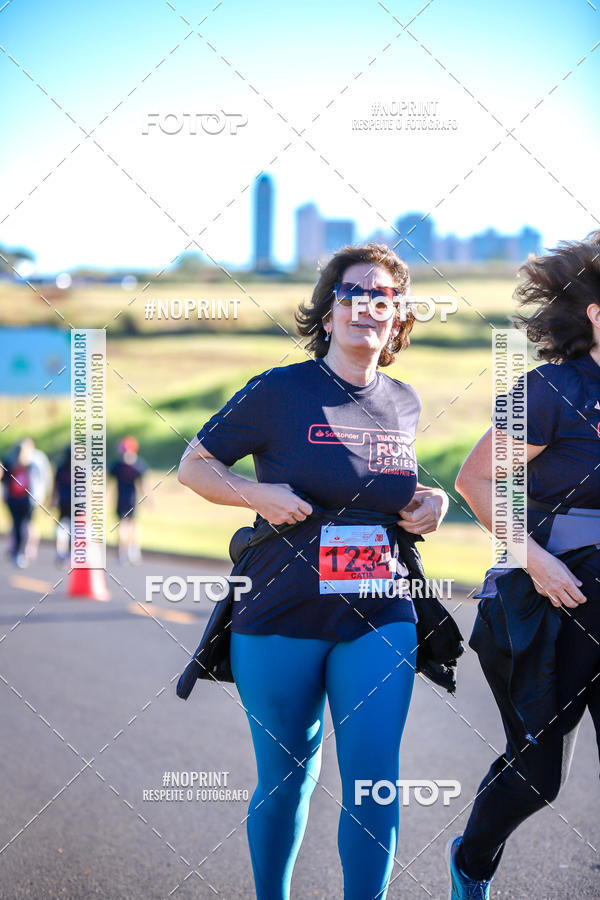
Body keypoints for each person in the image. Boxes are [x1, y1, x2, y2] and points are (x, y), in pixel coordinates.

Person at [178, 243, 451, 900]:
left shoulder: (404, 402)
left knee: (373, 778)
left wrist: (430, 501)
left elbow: (380, 488)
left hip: (378, 607)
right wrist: (258, 496)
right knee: (286, 779)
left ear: (397, 318)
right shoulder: (280, 391)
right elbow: (195, 465)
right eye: (352, 292)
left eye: (382, 296)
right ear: (327, 314)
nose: (367, 305)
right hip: (281, 610)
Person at [446, 232, 600, 898]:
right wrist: (534, 562)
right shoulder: (548, 389)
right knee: (539, 774)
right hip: (553, 607)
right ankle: (471, 860)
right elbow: (476, 481)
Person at [1, 437, 45, 567]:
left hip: (27, 500)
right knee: (18, 526)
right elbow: (5, 481)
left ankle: (24, 551)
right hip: (15, 500)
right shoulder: (10, 463)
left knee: (25, 525)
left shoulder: (33, 464)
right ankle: (18, 552)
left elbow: (39, 482)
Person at [109, 436, 149, 564]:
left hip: (121, 499)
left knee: (123, 525)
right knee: (133, 525)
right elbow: (144, 486)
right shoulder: (138, 466)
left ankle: (122, 553)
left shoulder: (117, 466)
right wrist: (149, 500)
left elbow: (107, 483)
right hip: (132, 499)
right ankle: (133, 551)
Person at [53, 444, 71, 566]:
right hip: (73, 503)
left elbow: (56, 488)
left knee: (62, 527)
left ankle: (61, 552)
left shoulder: (60, 468)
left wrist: (53, 501)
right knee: (70, 529)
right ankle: (67, 553)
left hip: (64, 502)